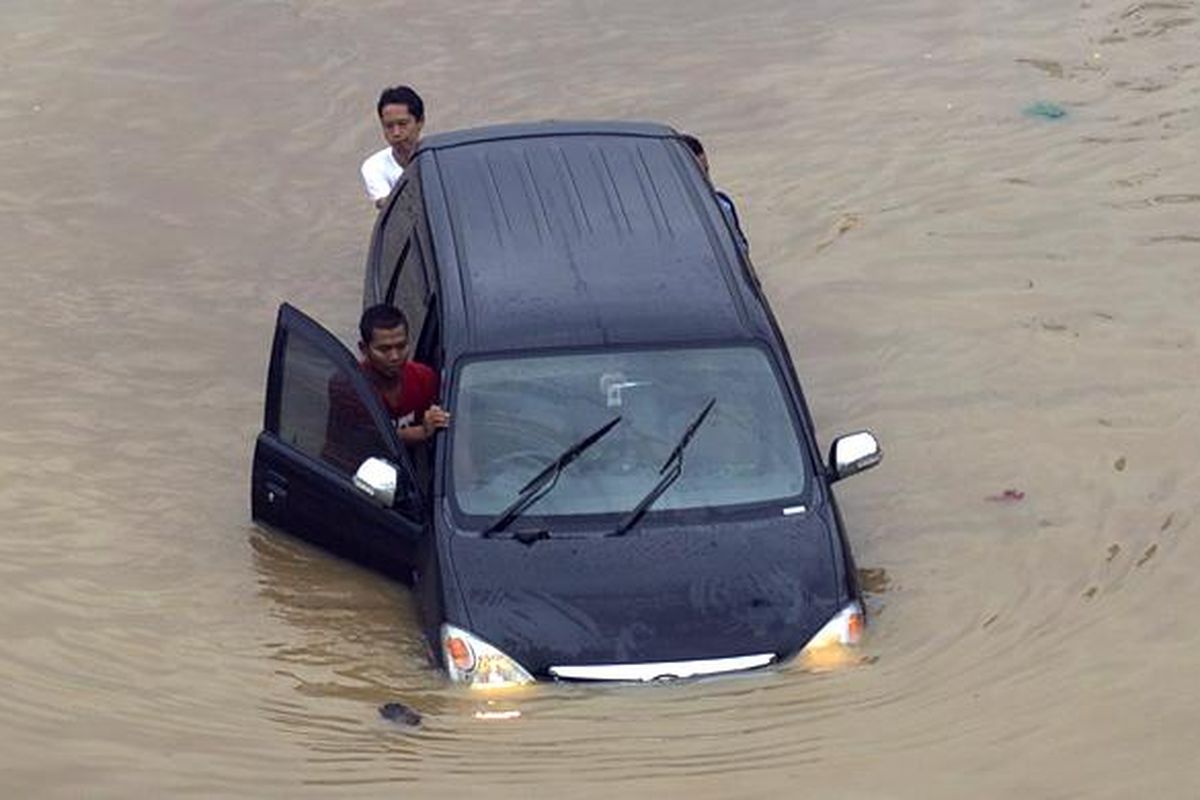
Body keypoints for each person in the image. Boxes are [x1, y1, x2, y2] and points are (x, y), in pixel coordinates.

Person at [680, 134, 749, 252]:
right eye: (697, 176)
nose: (706, 182)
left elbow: (742, 250)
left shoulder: (724, 206)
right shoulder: (674, 221)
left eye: (706, 172)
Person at [361, 85, 426, 209]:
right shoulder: (374, 166)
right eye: (389, 126)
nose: (396, 133)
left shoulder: (441, 156)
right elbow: (386, 206)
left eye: (402, 124)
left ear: (420, 121)